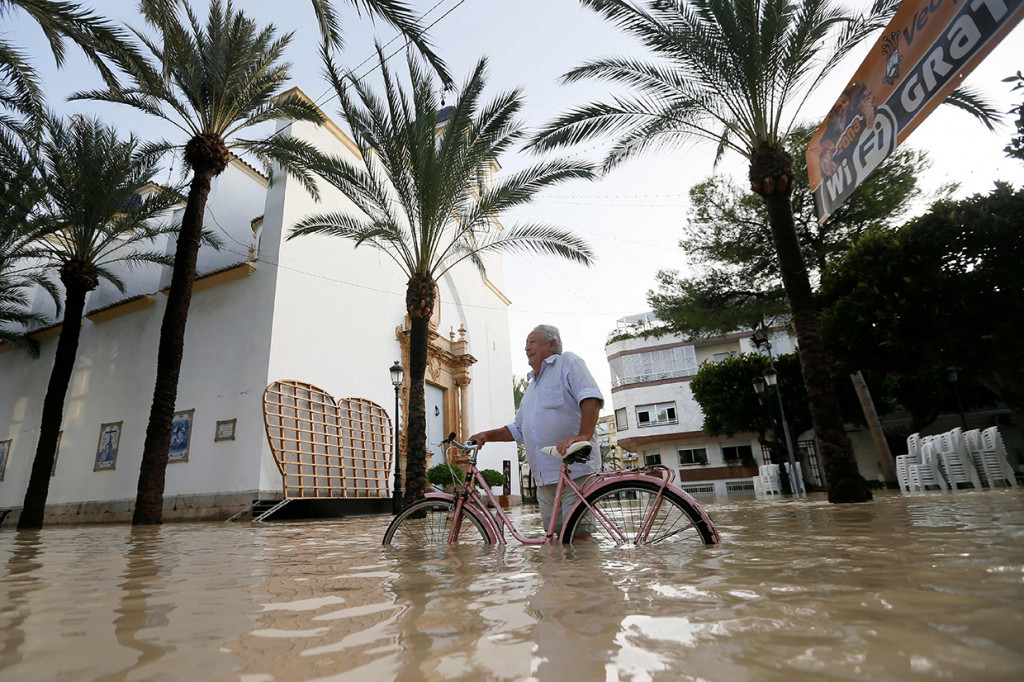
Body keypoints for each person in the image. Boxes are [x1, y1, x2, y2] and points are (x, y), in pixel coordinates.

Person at [469, 324, 603, 537]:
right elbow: (519, 430)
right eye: (525, 344)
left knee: (580, 537)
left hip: (576, 470)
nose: (526, 348)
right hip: (545, 478)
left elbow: (590, 397)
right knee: (557, 539)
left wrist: (583, 435)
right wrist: (486, 435)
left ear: (552, 344)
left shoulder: (568, 362)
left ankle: (584, 571)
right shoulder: (531, 388)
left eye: (532, 342)